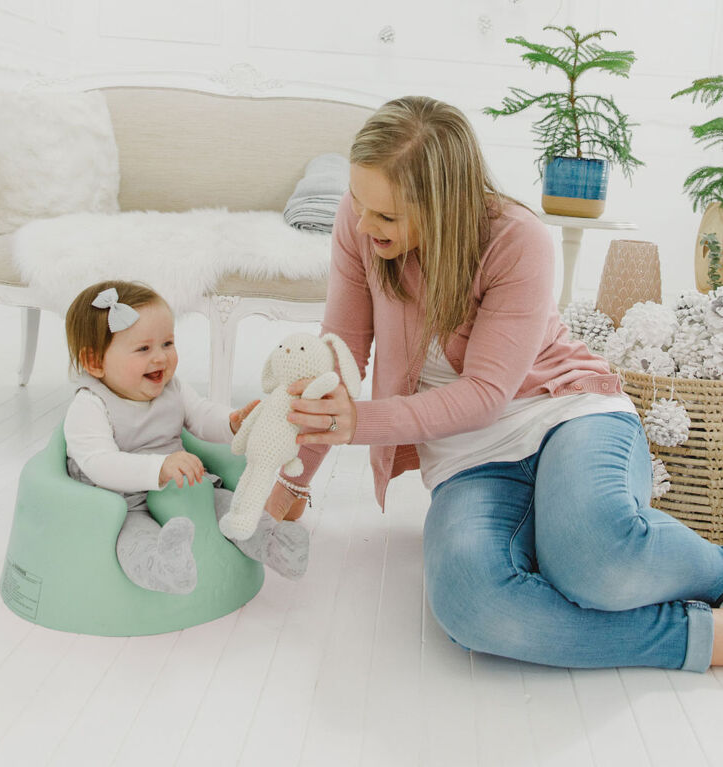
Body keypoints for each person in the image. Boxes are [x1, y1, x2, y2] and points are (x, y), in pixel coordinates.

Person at [264, 95, 723, 672]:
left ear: (445, 205)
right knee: (471, 605)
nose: (362, 224)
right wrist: (292, 478)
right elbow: (336, 356)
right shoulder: (359, 228)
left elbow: (486, 395)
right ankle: (700, 639)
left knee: (596, 560)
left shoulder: (516, 238)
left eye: (386, 215)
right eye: (358, 202)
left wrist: (361, 422)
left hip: (566, 415)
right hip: (469, 459)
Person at [64, 280, 309, 593]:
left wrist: (233, 423)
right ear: (94, 362)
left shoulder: (172, 388)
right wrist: (160, 468)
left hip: (186, 486)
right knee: (134, 541)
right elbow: (99, 463)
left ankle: (279, 547)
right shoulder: (90, 404)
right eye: (143, 349)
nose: (161, 358)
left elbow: (201, 416)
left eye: (167, 343)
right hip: (125, 503)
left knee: (234, 509)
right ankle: (165, 567)